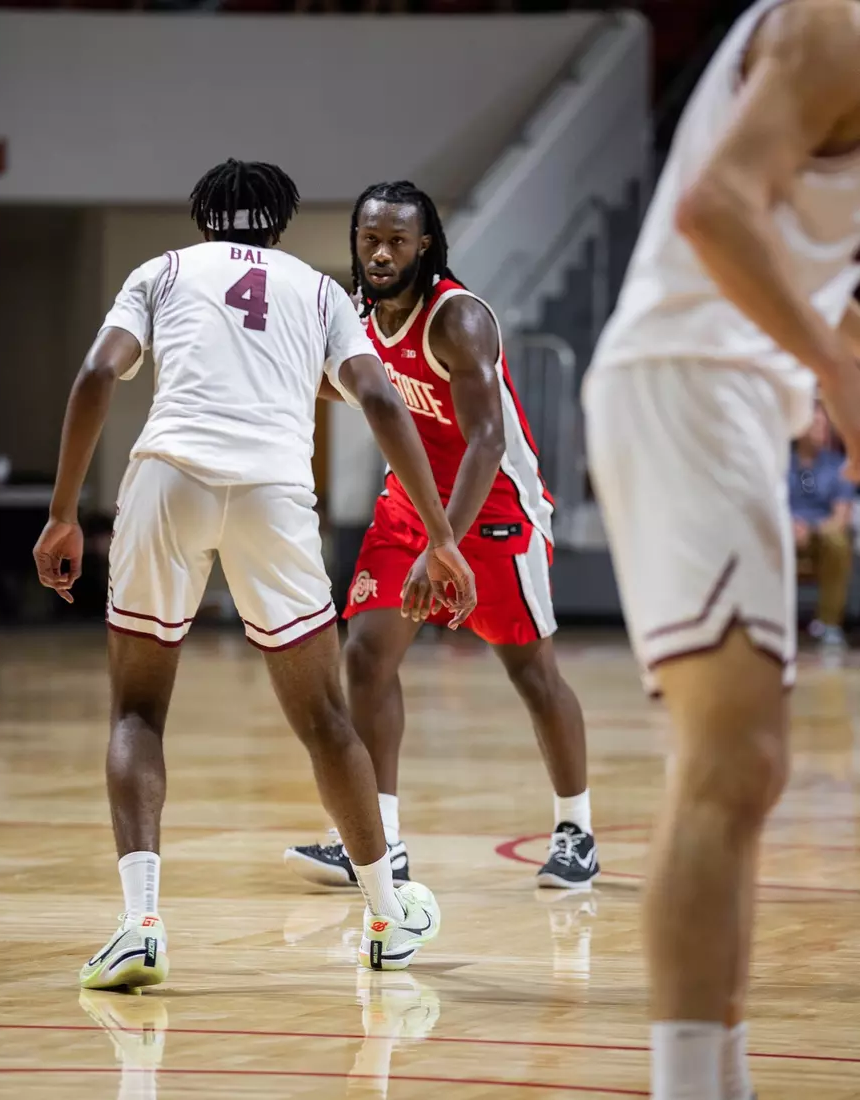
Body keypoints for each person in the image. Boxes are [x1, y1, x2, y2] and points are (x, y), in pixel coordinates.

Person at [32, 159, 477, 988]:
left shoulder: (161, 271)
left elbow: (96, 374)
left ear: (205, 219)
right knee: (325, 721)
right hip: (273, 491)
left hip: (169, 479)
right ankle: (385, 914)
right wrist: (441, 534)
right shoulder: (314, 289)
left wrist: (63, 513)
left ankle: (140, 926)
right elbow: (379, 401)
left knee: (136, 711)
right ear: (278, 224)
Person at [583, 0, 860, 1097]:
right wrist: (836, 385)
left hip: (736, 394)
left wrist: (832, 365)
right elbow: (714, 212)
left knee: (746, 768)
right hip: (687, 380)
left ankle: (713, 1078)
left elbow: (820, 286)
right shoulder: (834, 25)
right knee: (722, 765)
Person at [285, 181, 598, 892]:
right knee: (364, 656)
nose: (382, 251)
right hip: (411, 508)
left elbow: (487, 438)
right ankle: (381, 837)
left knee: (530, 672)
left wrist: (443, 544)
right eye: (370, 238)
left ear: (424, 243)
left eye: (397, 239)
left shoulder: (456, 319)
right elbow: (364, 388)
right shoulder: (359, 315)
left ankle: (575, 829)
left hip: (493, 513)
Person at [790, 402, 855, 647]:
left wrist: (811, 529)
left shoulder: (839, 466)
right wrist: (789, 527)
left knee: (838, 541)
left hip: (820, 535)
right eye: (815, 423)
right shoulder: (780, 463)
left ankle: (828, 624)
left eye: (824, 424)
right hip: (782, 533)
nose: (822, 428)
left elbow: (841, 517)